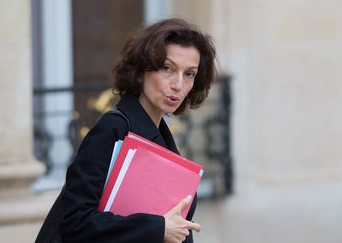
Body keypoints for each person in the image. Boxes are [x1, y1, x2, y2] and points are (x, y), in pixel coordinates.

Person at [35, 17, 217, 243]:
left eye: (189, 73)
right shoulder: (113, 129)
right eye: (167, 68)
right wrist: (158, 228)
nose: (178, 85)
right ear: (142, 70)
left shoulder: (161, 134)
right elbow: (74, 220)